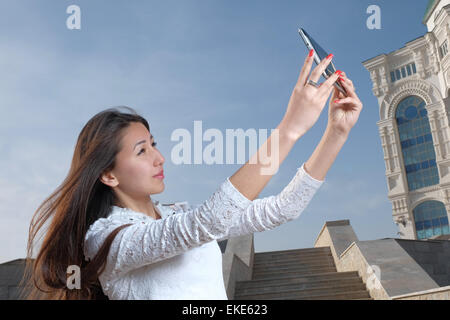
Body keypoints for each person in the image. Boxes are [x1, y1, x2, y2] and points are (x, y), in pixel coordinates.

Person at [20, 49, 363, 300]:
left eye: (153, 144)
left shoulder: (175, 214)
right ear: (108, 175)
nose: (159, 158)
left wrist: (336, 133)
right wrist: (289, 130)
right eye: (142, 151)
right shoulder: (107, 239)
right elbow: (209, 222)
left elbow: (282, 210)